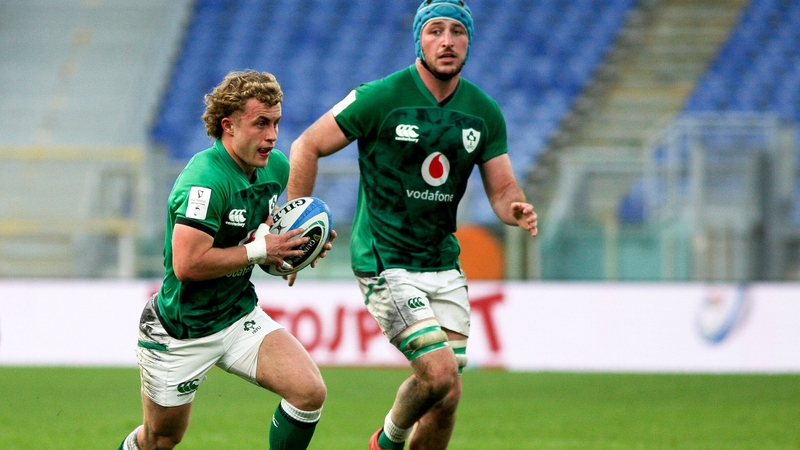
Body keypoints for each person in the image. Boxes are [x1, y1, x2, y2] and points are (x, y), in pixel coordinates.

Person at [287, 1, 538, 449]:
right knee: (438, 372)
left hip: (442, 262)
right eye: (435, 31)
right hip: (386, 261)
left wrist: (515, 208)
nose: (447, 41)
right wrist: (292, 225)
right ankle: (387, 442)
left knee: (446, 395)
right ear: (419, 39)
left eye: (457, 32)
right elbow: (307, 145)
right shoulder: (379, 96)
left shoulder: (484, 112)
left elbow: (503, 190)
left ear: (469, 41)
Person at [119, 70, 332, 450]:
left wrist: (298, 246)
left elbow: (266, 221)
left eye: (276, 123)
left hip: (237, 315)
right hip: (181, 329)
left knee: (308, 392)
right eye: (261, 123)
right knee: (161, 439)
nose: (272, 135)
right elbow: (188, 265)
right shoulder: (204, 180)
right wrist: (262, 251)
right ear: (228, 126)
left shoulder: (275, 167)